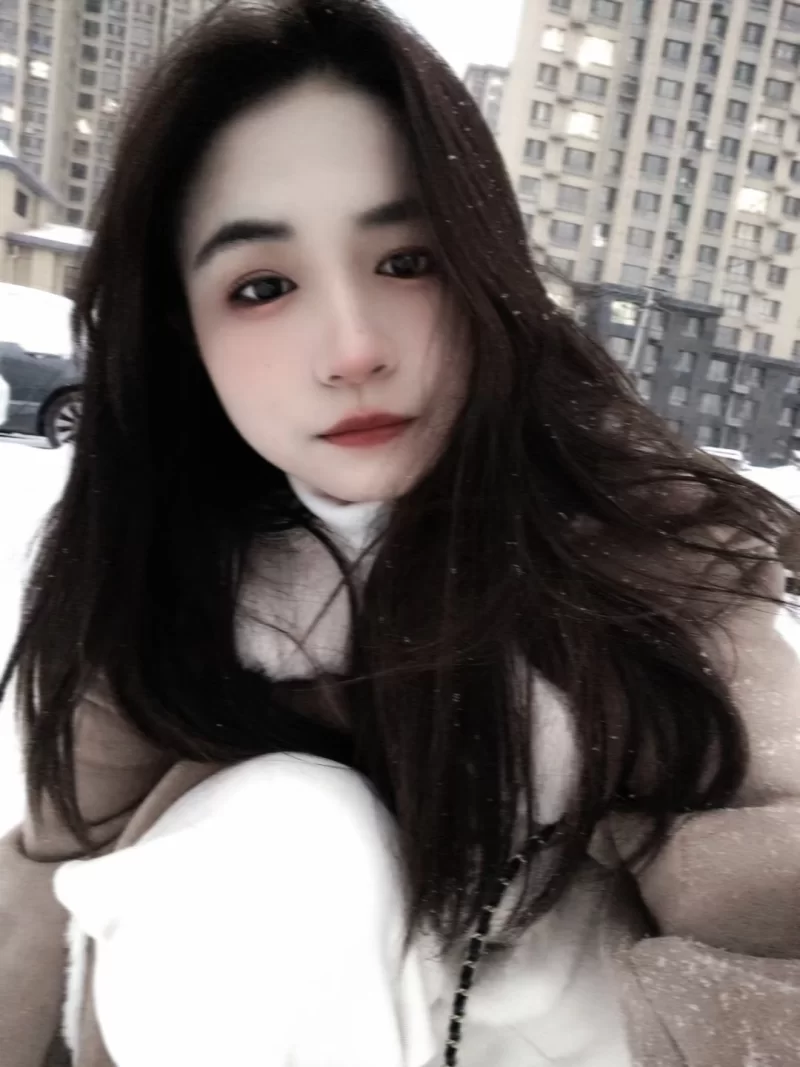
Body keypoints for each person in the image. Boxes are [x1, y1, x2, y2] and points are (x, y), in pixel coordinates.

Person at [1, 1, 800, 1064]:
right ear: (181, 334)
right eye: (263, 286)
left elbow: (768, 924)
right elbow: (49, 898)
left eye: (407, 260)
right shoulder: (162, 585)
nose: (352, 348)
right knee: (282, 832)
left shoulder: (644, 553)